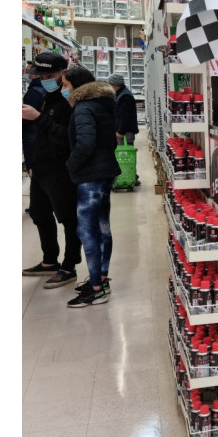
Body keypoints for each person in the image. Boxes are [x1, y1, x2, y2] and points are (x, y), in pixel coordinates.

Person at [21, 52, 82, 288]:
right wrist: (32, 164)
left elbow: (67, 138)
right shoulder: (46, 96)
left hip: (60, 169)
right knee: (39, 213)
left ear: (63, 73)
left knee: (68, 218)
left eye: (49, 76)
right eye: (41, 76)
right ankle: (49, 260)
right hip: (41, 168)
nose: (44, 80)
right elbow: (40, 136)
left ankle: (69, 265)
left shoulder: (70, 100)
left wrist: (38, 117)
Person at [62, 66, 121, 307]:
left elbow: (85, 143)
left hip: (91, 175)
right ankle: (102, 279)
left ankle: (96, 289)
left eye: (65, 85)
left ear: (76, 86)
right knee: (102, 226)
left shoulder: (83, 107)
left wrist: (71, 164)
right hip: (106, 171)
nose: (64, 89)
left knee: (86, 230)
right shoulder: (103, 103)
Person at [22, 64, 45, 177]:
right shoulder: (42, 88)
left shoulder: (34, 92)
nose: (25, 73)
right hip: (38, 133)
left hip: (31, 135)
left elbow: (26, 116)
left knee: (33, 170)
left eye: (27, 71)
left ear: (35, 75)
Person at [109, 72, 139, 145]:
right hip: (124, 131)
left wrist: (120, 131)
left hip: (125, 132)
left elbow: (125, 116)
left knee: (124, 150)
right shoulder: (120, 94)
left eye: (110, 84)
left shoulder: (125, 97)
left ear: (115, 84)